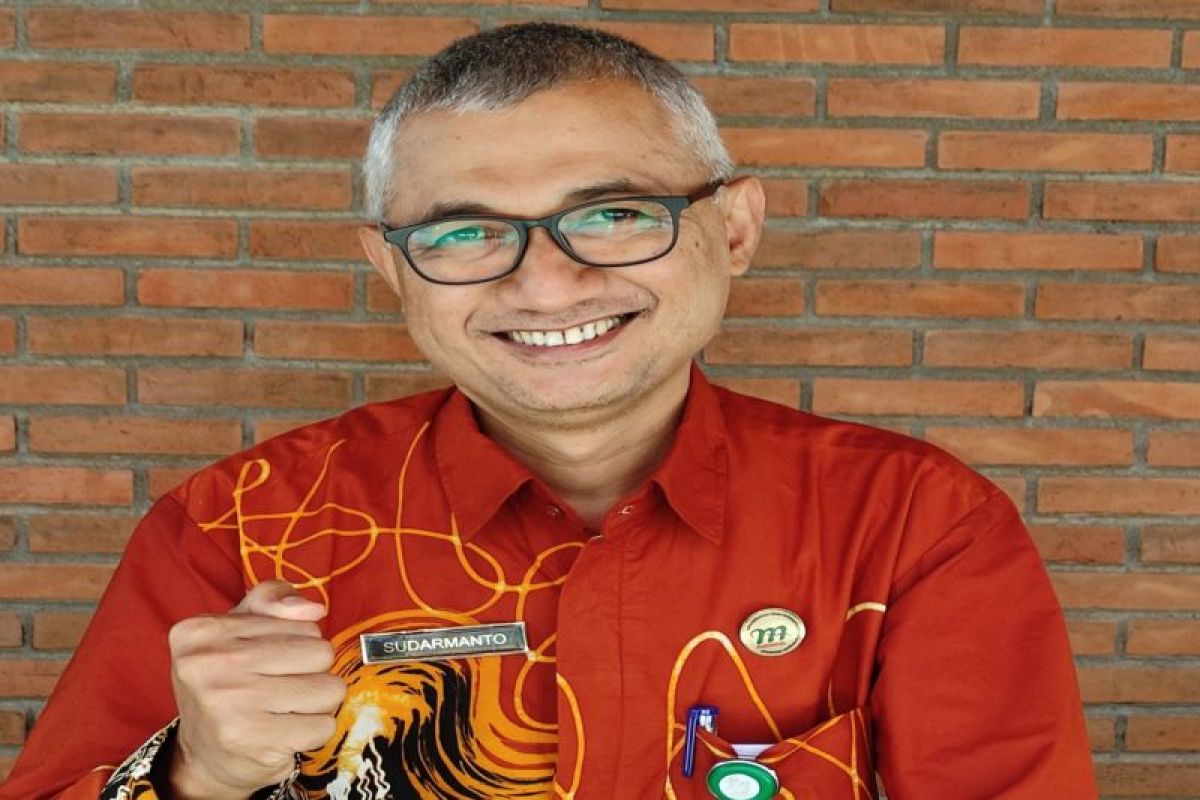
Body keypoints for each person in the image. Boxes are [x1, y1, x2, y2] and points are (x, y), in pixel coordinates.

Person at [1, 22, 1097, 800]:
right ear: (391, 267)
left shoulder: (912, 526)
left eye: (614, 214)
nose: (546, 283)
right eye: (466, 231)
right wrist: (194, 775)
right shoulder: (240, 526)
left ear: (735, 230)